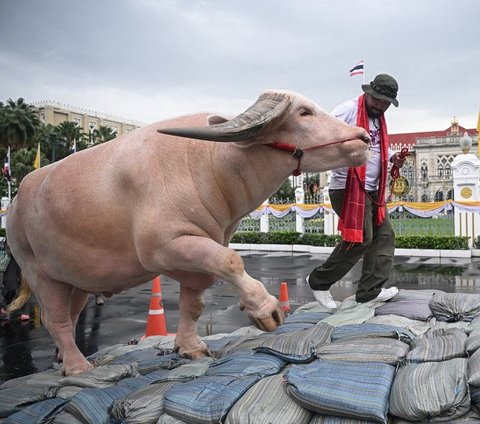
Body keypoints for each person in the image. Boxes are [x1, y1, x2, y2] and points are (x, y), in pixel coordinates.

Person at [307, 74, 406, 309]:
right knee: (362, 238)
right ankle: (319, 281)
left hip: (373, 191)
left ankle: (369, 291)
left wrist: (394, 158)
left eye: (386, 103)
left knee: (384, 237)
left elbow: (378, 148)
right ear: (368, 93)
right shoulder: (348, 110)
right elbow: (324, 135)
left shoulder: (378, 120)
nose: (381, 105)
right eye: (378, 100)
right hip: (347, 187)